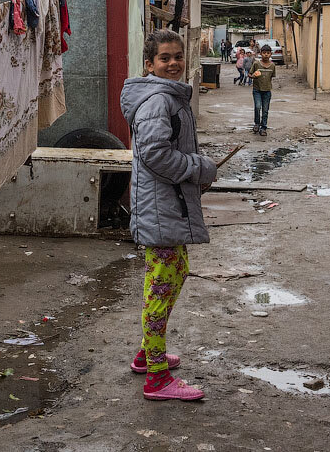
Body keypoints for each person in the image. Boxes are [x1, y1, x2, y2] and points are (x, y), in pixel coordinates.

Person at [121, 30, 216, 402]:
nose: (173, 63)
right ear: (149, 64)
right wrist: (199, 167)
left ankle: (148, 355)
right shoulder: (157, 100)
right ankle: (157, 379)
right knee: (159, 289)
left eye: (178, 56)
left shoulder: (168, 96)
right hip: (160, 209)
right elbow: (155, 155)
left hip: (167, 206)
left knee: (174, 275)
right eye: (164, 58)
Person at [248, 44, 277, 135]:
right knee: (257, 107)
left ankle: (263, 127)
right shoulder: (256, 64)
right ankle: (257, 123)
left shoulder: (272, 66)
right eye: (264, 53)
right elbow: (250, 74)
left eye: (268, 53)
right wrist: (253, 76)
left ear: (270, 54)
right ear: (261, 54)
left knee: (265, 110)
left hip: (267, 91)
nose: (266, 55)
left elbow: (271, 77)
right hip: (257, 90)